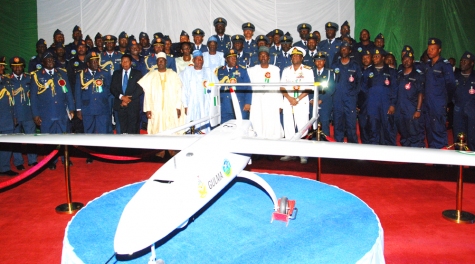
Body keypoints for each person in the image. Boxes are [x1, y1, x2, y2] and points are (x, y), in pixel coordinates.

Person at [30, 51, 75, 170]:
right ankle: (51, 161)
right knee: (49, 139)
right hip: (46, 113)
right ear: (43, 62)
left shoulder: (61, 73)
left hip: (61, 112)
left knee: (64, 137)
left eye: (52, 59)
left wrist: (71, 108)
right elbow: (33, 97)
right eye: (47, 60)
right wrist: (35, 114)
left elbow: (68, 92)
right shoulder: (37, 76)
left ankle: (65, 158)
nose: (50, 61)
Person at [248, 46, 284, 160]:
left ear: (269, 57)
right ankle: (258, 151)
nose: (263, 57)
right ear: (258, 57)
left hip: (271, 101)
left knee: (270, 125)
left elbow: (278, 87)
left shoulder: (275, 69)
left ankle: (270, 151)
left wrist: (280, 104)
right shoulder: (252, 70)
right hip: (258, 101)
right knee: (258, 123)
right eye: (261, 55)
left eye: (265, 55)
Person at [75, 52, 112, 163]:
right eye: (93, 61)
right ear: (88, 63)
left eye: (97, 61)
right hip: (88, 108)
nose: (96, 63)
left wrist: (108, 107)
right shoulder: (81, 75)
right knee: (89, 132)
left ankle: (103, 154)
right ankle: (90, 154)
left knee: (103, 132)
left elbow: (110, 90)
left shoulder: (104, 73)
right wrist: (78, 109)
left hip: (102, 107)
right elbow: (78, 92)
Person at [279, 47, 314, 164]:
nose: (295, 57)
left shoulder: (308, 70)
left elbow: (309, 87)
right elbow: (282, 87)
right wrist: (289, 98)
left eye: (297, 55)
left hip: (301, 102)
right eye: (293, 56)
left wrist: (297, 99)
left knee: (302, 127)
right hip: (288, 102)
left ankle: (303, 154)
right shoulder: (286, 70)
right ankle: (290, 152)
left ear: (302, 57)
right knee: (288, 127)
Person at [139, 52, 184, 135]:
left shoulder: (173, 75)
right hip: (156, 108)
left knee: (172, 131)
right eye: (159, 61)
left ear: (166, 62)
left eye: (162, 60)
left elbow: (179, 92)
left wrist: (178, 107)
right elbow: (147, 94)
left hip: (171, 108)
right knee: (157, 130)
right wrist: (148, 109)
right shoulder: (151, 75)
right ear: (157, 63)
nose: (160, 62)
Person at [423, 38, 456, 149]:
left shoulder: (444, 65)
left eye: (433, 49)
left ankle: (441, 160)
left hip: (438, 103)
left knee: (438, 130)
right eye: (428, 49)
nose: (430, 51)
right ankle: (434, 156)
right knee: (429, 129)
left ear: (439, 50)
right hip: (427, 103)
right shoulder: (427, 65)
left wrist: (446, 101)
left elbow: (451, 84)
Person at [361, 47, 398, 145]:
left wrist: (393, 104)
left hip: (386, 105)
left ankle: (390, 155)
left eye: (377, 56)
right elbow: (363, 88)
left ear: (383, 58)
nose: (375, 58)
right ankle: (374, 156)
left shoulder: (391, 71)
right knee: (373, 130)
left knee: (388, 130)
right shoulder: (368, 71)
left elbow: (395, 89)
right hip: (372, 106)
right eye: (374, 56)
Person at [9, 56, 38, 169]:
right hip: (15, 115)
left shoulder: (29, 78)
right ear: (11, 67)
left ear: (23, 67)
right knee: (16, 140)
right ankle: (18, 162)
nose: (17, 69)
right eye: (15, 67)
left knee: (31, 138)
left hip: (28, 114)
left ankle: (32, 160)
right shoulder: (8, 80)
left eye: (20, 66)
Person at [180, 50, 218, 133]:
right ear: (193, 60)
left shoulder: (208, 72)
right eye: (197, 59)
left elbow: (215, 85)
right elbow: (184, 90)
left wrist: (208, 85)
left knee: (205, 125)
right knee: (192, 125)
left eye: (201, 59)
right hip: (191, 103)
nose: (200, 61)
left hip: (205, 103)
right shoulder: (187, 72)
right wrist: (186, 105)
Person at [331, 42, 361, 143]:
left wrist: (354, 97)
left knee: (351, 125)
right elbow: (331, 82)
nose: (344, 50)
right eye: (342, 48)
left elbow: (359, 83)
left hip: (350, 100)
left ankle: (353, 150)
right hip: (337, 100)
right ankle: (338, 149)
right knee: (338, 124)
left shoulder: (355, 65)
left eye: (346, 48)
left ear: (350, 51)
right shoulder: (335, 65)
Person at [395, 51, 425, 147]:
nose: (406, 61)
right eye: (405, 59)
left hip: (411, 109)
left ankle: (416, 159)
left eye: (409, 59)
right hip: (400, 109)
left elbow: (421, 93)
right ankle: (406, 156)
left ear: (413, 61)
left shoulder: (417, 75)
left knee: (414, 134)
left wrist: (418, 110)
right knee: (404, 134)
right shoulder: (399, 74)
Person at [110, 54, 144, 134]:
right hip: (120, 105)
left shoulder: (137, 73)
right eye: (123, 62)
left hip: (133, 106)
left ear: (131, 63)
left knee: (133, 130)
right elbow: (112, 88)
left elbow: (140, 89)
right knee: (122, 130)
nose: (125, 63)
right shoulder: (116, 73)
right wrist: (122, 97)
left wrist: (128, 99)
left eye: (127, 61)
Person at [217, 49, 252, 123]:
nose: (234, 59)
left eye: (235, 57)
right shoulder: (220, 71)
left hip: (240, 104)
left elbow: (248, 87)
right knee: (225, 129)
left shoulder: (242, 70)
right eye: (231, 58)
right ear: (226, 59)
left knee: (241, 128)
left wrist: (248, 103)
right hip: (225, 106)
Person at [452, 51, 475, 151]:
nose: (462, 63)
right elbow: (450, 92)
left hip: (472, 112)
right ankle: (458, 161)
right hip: (458, 111)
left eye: (465, 61)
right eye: (461, 61)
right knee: (458, 136)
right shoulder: (455, 76)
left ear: (472, 63)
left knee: (472, 137)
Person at [311, 52, 335, 137]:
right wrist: (311, 99)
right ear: (314, 61)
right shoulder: (310, 72)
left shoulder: (330, 73)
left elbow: (331, 89)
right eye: (317, 60)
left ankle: (325, 144)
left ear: (324, 61)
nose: (319, 62)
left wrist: (321, 99)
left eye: (321, 60)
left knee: (325, 124)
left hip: (325, 102)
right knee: (312, 125)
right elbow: (308, 88)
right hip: (312, 103)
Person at [0, 68, 18, 176]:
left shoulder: (6, 80)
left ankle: (4, 167)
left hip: (7, 118)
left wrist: (14, 115)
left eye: (2, 66)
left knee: (7, 145)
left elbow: (12, 100)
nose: (2, 68)